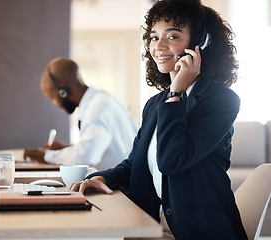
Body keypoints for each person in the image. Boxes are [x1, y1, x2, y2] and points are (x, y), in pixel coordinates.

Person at [69, 0, 248, 239]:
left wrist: (176, 93)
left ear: (200, 44)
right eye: (154, 37)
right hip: (153, 223)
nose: (159, 46)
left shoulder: (221, 100)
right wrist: (100, 178)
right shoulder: (156, 104)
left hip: (200, 231)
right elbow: (135, 164)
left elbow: (171, 160)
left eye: (172, 36)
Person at [23, 57, 138, 171]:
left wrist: (45, 156)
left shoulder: (98, 108)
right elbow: (96, 148)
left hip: (123, 187)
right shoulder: (100, 100)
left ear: (63, 91)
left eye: (52, 97)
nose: (54, 104)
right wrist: (66, 149)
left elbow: (86, 157)